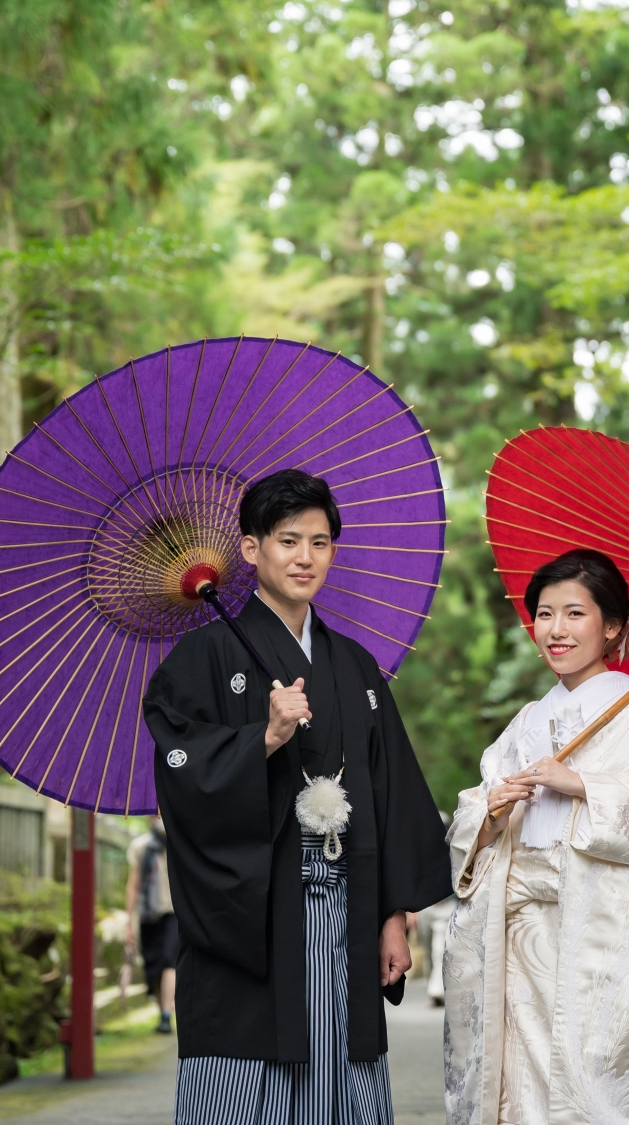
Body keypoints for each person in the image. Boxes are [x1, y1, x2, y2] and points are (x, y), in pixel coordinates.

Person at [144, 467, 452, 1125]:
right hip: (252, 916)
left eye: (319, 541)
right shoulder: (199, 659)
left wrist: (392, 913)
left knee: (341, 1070)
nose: (305, 556)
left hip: (347, 906)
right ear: (251, 549)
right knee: (244, 1071)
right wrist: (265, 735)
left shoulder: (357, 667)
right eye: (288, 540)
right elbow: (181, 772)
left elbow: (388, 786)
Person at [441, 549, 629, 1125]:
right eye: (544, 614)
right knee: (516, 1089)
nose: (556, 630)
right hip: (515, 938)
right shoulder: (529, 719)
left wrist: (585, 785)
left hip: (593, 938)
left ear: (612, 626)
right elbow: (476, 815)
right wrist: (491, 813)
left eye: (574, 614)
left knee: (586, 1092)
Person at [125, 814, 178, 1034]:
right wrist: (129, 920)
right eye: (154, 814)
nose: (158, 818)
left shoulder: (178, 843)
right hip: (149, 914)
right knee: (153, 966)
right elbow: (133, 885)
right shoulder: (141, 847)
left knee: (169, 961)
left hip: (174, 913)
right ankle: (162, 1010)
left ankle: (166, 1015)